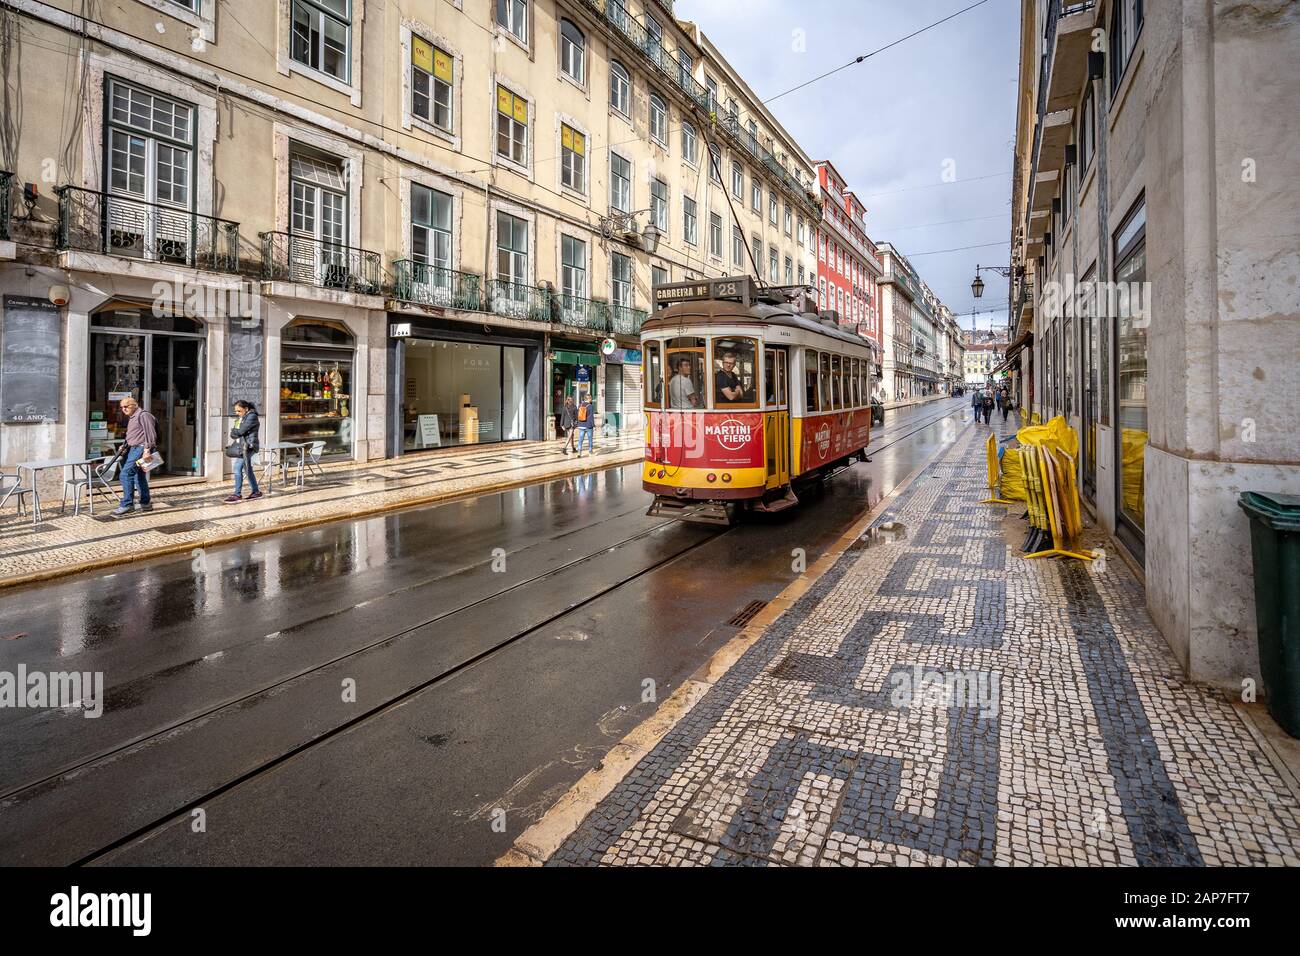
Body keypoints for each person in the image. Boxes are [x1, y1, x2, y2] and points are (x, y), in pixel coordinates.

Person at [111, 396, 158, 517]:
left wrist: (147, 450)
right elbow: (134, 434)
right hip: (134, 448)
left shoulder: (143, 415)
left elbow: (151, 434)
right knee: (138, 475)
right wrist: (124, 445)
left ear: (134, 405)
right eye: (121, 407)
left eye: (126, 406)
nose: (123, 409)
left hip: (141, 448)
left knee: (125, 474)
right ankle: (145, 503)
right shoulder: (132, 417)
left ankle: (127, 504)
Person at [224, 400, 263, 503]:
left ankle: (237, 494)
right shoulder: (243, 417)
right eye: (236, 411)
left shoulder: (252, 416)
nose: (237, 413)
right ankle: (256, 492)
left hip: (249, 447)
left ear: (246, 409)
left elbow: (240, 431)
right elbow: (233, 433)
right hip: (243, 447)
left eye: (239, 411)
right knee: (247, 469)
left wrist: (236, 431)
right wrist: (236, 431)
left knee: (237, 468)